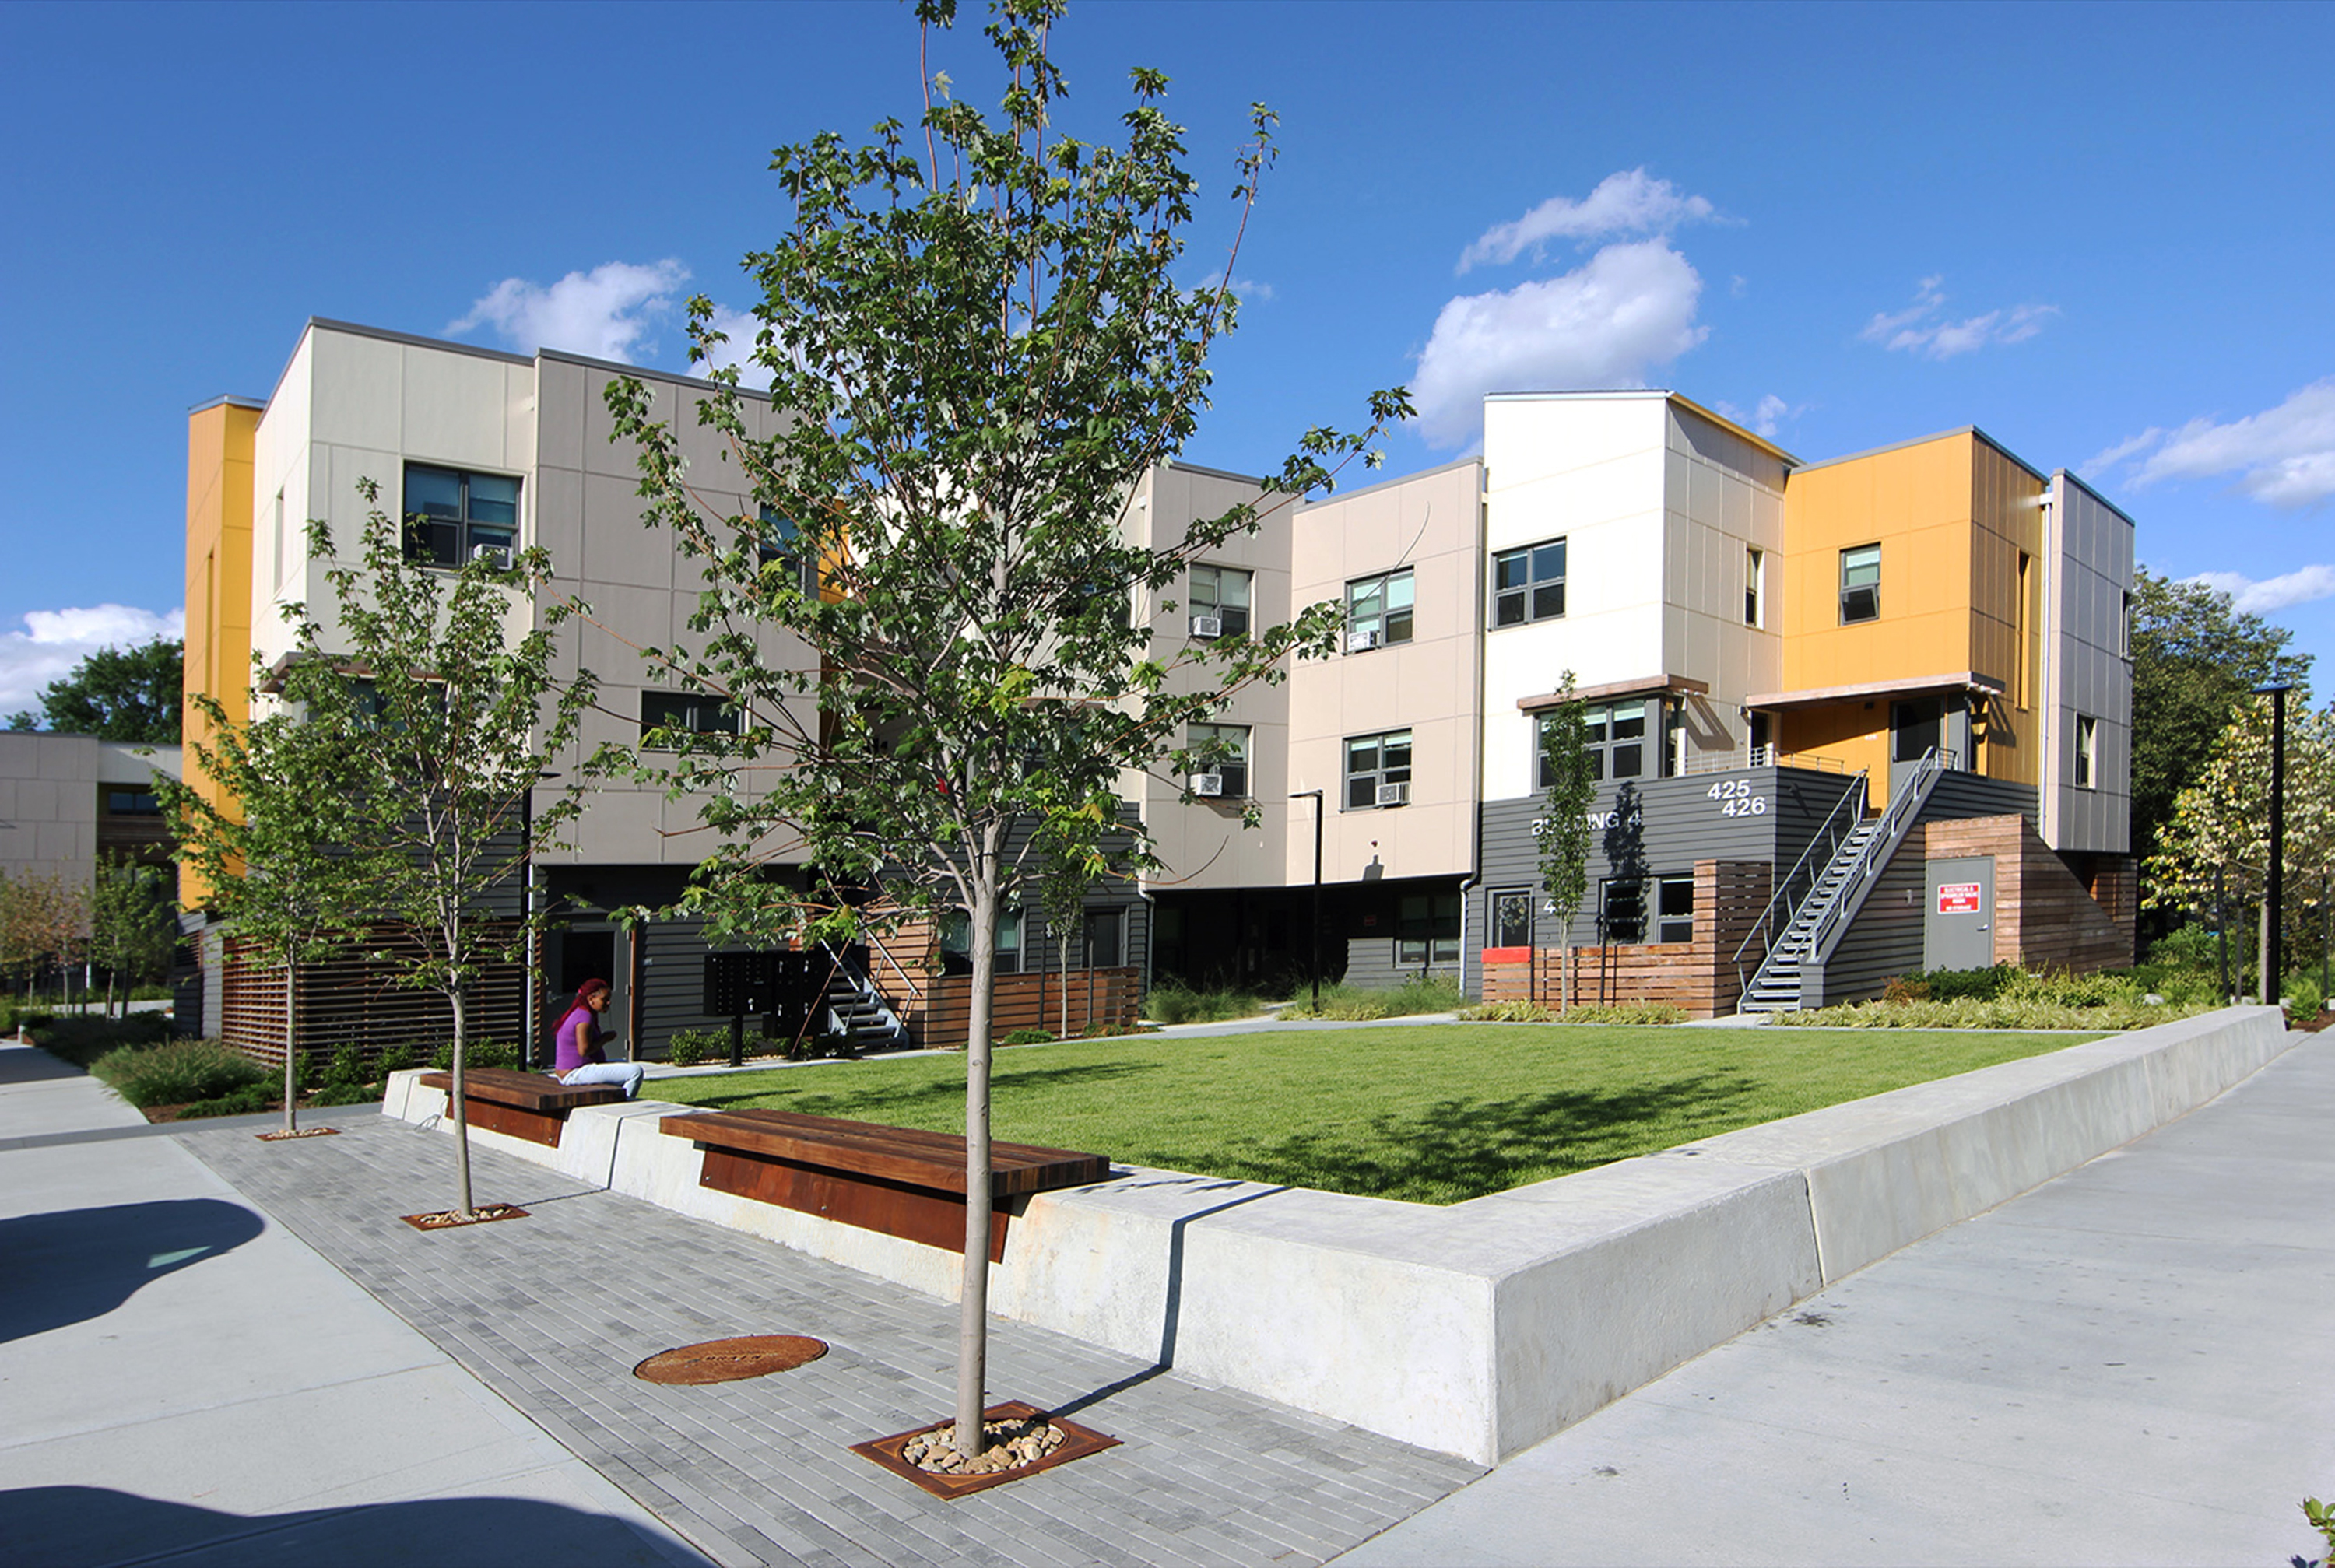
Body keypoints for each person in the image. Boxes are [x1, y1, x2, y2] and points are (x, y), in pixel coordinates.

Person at [549, 978, 644, 1098]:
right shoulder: (584, 1017)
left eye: (609, 999)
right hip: (574, 1073)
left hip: (578, 1070)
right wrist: (605, 1038)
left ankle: (616, 1098)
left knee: (625, 1065)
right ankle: (625, 1103)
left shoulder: (581, 1012)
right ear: (591, 999)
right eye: (604, 999)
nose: (608, 1003)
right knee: (635, 1072)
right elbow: (584, 1050)